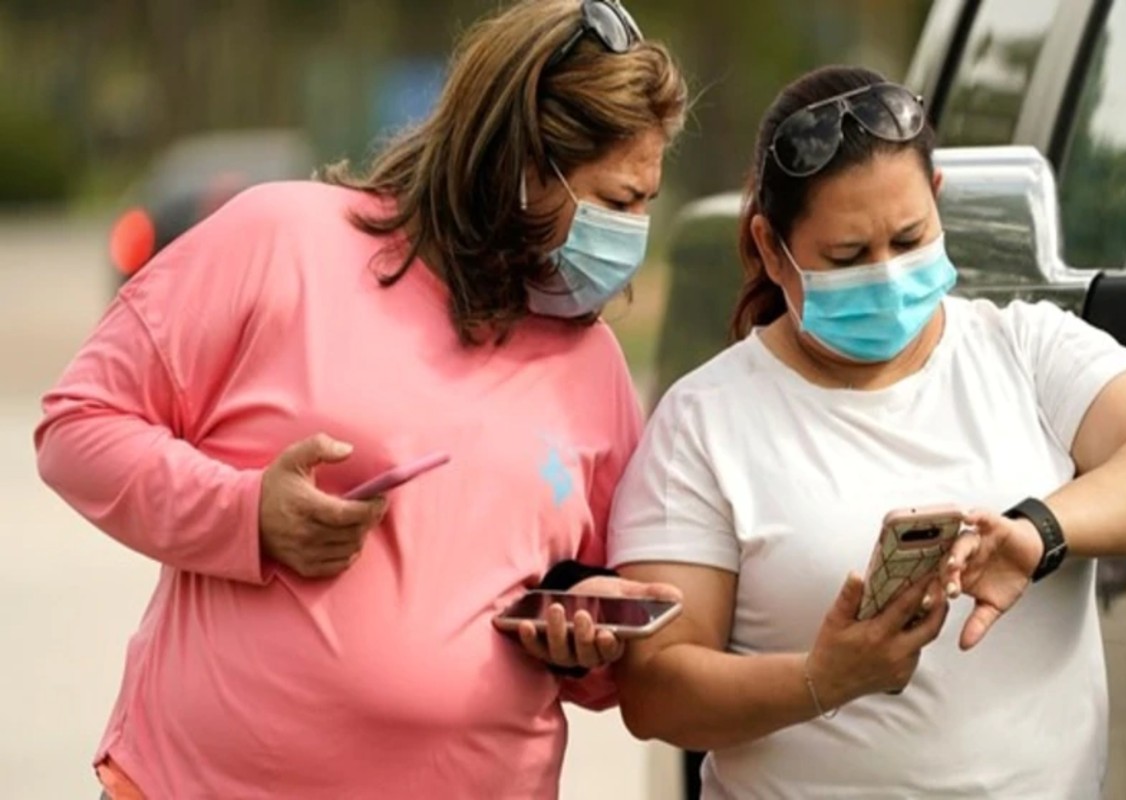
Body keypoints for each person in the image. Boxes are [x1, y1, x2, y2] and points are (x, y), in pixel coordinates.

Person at [34, 1, 686, 797]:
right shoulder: (283, 240)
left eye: (647, 203)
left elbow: (593, 643)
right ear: (515, 164)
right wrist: (246, 516)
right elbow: (76, 426)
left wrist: (582, 630)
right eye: (616, 202)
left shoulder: (596, 365)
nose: (633, 233)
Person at [607, 66, 1126, 799]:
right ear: (772, 251)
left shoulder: (1027, 349)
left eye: (909, 238)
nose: (886, 274)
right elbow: (655, 691)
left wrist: (1039, 531)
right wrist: (822, 679)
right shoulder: (704, 422)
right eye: (846, 257)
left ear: (937, 202)